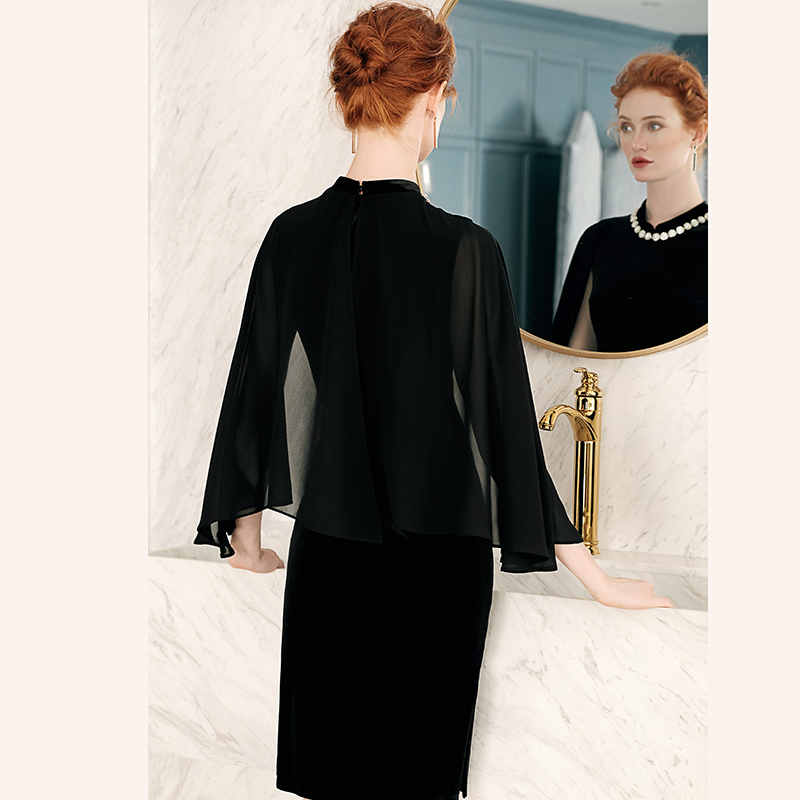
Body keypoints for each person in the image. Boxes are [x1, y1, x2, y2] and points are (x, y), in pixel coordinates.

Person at [193, 5, 673, 799]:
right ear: (433, 100)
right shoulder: (464, 249)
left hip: (327, 560)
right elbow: (505, 429)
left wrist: (244, 537)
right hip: (434, 571)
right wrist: (594, 578)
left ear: (350, 99)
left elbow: (252, 392)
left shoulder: (290, 236)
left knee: (327, 778)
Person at [551, 51, 708, 352]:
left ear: (697, 133)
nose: (636, 143)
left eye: (653, 125)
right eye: (626, 127)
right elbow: (572, 362)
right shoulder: (601, 240)